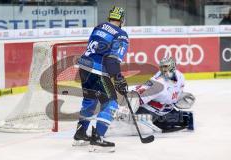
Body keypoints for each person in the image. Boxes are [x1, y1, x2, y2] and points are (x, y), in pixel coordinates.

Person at [73, 6, 129, 152]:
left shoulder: (99, 27)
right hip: (97, 71)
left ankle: (80, 134)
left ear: (110, 17)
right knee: (111, 103)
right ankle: (97, 138)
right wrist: (118, 78)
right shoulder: (121, 34)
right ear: (122, 19)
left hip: (84, 67)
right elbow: (111, 59)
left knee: (90, 101)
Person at [117, 57, 195, 134]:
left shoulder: (180, 76)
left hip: (165, 111)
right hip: (149, 111)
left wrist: (179, 96)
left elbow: (175, 91)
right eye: (162, 67)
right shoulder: (158, 84)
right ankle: (118, 121)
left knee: (185, 119)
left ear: (173, 66)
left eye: (166, 66)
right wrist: (126, 111)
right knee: (145, 130)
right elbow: (137, 97)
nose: (164, 69)